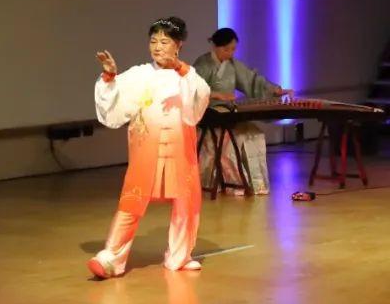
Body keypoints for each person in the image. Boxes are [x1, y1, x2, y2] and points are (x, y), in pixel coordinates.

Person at [88, 17, 211, 279]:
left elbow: (200, 97)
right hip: (147, 150)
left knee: (185, 203)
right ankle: (111, 257)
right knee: (132, 201)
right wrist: (109, 76)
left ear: (178, 45)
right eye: (153, 41)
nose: (157, 47)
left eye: (164, 41)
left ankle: (180, 256)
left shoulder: (188, 76)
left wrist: (180, 68)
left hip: (179, 149)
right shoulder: (139, 75)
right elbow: (115, 99)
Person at [193, 27, 292, 195]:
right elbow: (193, 90)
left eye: (233, 49)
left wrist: (275, 90)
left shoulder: (232, 65)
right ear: (215, 46)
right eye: (226, 49)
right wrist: (217, 95)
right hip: (209, 117)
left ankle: (254, 184)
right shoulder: (203, 64)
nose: (230, 53)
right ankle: (232, 184)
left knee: (254, 135)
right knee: (233, 141)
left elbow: (252, 80)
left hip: (229, 114)